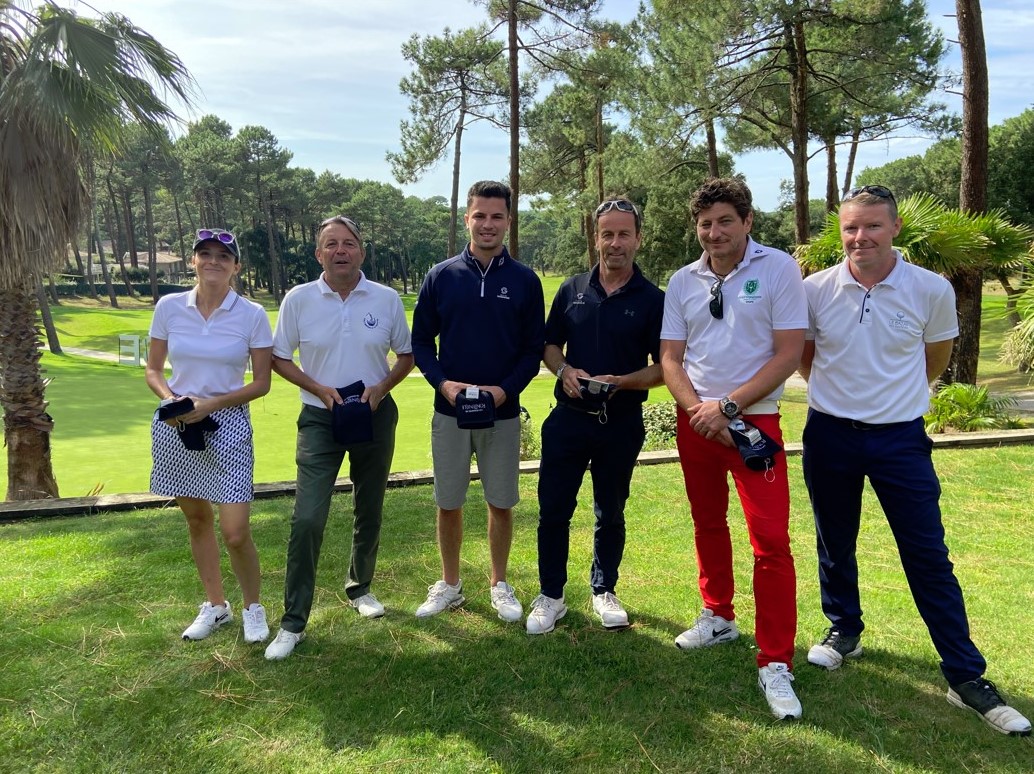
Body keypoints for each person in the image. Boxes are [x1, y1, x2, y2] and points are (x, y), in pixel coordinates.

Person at [800, 185, 1031, 737]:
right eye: (851, 227)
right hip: (830, 434)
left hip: (900, 440)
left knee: (927, 554)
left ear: (895, 228)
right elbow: (806, 359)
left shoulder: (930, 288)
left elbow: (935, 359)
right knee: (835, 539)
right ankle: (844, 629)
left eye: (872, 226)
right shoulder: (814, 289)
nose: (860, 237)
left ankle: (964, 674)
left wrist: (890, 402)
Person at [660, 178, 807, 720]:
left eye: (725, 221)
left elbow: (788, 353)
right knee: (707, 523)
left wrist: (728, 408)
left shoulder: (778, 268)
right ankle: (718, 615)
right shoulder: (683, 280)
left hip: (755, 423)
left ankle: (775, 660)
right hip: (696, 422)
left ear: (747, 221)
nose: (714, 232)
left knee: (770, 542)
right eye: (705, 224)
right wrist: (701, 411)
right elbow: (671, 358)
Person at [263, 215, 414, 661]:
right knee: (308, 518)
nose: (341, 250)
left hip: (374, 415)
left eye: (349, 243)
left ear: (361, 252)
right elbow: (279, 357)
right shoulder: (299, 299)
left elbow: (406, 356)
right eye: (331, 244)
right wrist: (318, 389)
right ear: (319, 254)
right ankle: (293, 621)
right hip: (319, 418)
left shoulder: (385, 299)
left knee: (370, 507)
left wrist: (381, 388)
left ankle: (360, 587)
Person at [526, 197, 664, 635]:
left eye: (624, 234)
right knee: (553, 510)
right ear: (596, 238)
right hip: (568, 419)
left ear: (638, 239)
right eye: (607, 234)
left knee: (611, 511)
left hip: (620, 423)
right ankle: (551, 595)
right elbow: (549, 345)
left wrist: (622, 381)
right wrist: (563, 370)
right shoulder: (572, 289)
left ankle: (604, 589)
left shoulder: (653, 299)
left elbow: (665, 368)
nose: (615, 243)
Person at [411, 180, 545, 621]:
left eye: (497, 216)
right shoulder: (441, 275)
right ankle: (450, 584)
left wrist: (506, 389)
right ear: (467, 218)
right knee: (448, 501)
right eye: (480, 216)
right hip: (449, 411)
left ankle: (499, 583)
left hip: (502, 413)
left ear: (508, 221)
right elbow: (421, 343)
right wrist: (443, 385)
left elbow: (532, 350)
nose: (488, 224)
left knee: (500, 502)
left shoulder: (525, 280)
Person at [146, 228, 273, 644]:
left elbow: (261, 383)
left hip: (229, 424)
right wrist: (172, 400)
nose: (213, 261)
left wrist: (211, 405)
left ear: (236, 266)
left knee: (235, 532)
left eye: (223, 256)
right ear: (193, 261)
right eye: (205, 254)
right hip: (177, 425)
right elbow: (154, 369)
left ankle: (253, 607)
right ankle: (216, 606)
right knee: (197, 519)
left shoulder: (251, 314)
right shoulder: (169, 307)